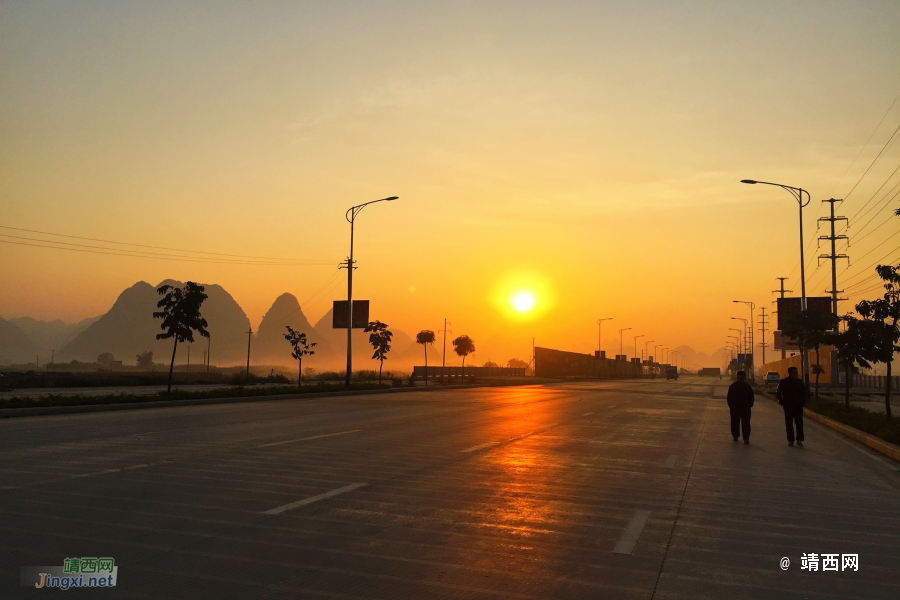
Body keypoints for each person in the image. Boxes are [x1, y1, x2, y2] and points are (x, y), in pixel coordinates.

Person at [775, 366, 807, 447]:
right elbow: (778, 393)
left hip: (798, 406)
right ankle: (791, 440)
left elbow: (804, 393)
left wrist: (802, 402)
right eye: (795, 373)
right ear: (790, 373)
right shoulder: (783, 382)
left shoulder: (800, 382)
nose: (796, 374)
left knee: (799, 423)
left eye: (797, 372)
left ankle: (799, 440)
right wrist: (782, 402)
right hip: (788, 406)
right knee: (789, 424)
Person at [726, 370, 754, 444]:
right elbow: (729, 398)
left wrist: (749, 405)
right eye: (740, 377)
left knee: (746, 423)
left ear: (744, 377)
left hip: (745, 409)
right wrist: (731, 406)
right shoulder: (732, 387)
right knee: (735, 423)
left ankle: (746, 438)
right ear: (737, 377)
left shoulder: (748, 387)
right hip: (735, 408)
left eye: (742, 377)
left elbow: (751, 398)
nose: (741, 378)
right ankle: (735, 436)